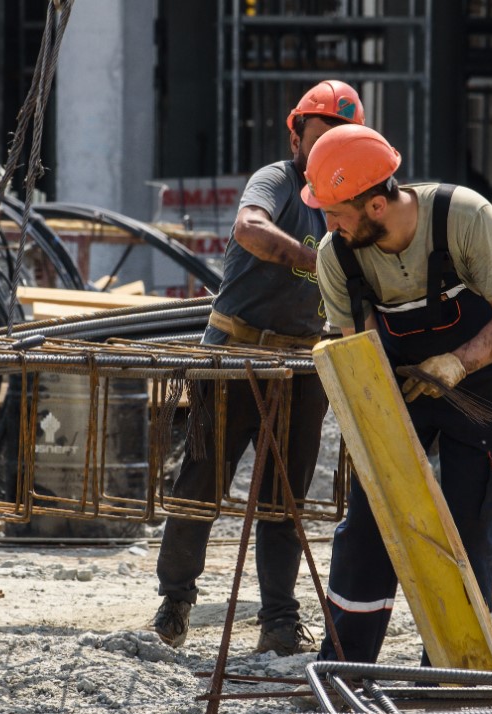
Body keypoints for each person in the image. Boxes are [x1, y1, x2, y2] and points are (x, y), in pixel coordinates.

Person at [303, 124, 492, 663]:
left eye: (336, 212)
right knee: (369, 520)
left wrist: (458, 361)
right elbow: (358, 351)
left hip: (483, 380)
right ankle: (347, 664)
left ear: (376, 205)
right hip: (399, 385)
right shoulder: (338, 256)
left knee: (468, 521)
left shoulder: (465, 218)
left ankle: (455, 670)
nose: (327, 225)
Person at [151, 81, 365, 656]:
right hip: (235, 353)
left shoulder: (349, 197)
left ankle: (278, 620)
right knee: (201, 483)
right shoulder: (277, 181)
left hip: (299, 364)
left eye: (338, 141)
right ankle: (175, 601)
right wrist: (310, 257)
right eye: (317, 138)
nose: (325, 153)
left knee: (285, 499)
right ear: (296, 134)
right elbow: (249, 227)